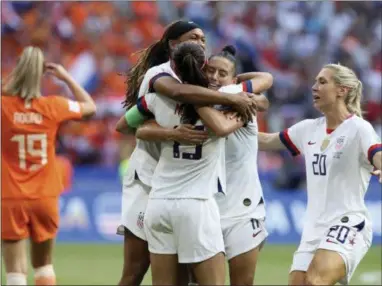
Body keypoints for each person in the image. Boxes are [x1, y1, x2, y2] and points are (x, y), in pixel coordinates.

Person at [116, 20, 257, 286]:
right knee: (137, 271)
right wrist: (242, 99)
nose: (201, 42)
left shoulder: (154, 100)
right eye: (195, 37)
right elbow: (222, 115)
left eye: (203, 38)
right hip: (177, 194)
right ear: (173, 44)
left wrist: (168, 129)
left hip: (161, 197)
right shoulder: (163, 78)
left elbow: (126, 125)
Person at [257, 63, 382, 285]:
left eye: (322, 82)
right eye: (315, 81)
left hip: (349, 222)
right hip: (313, 229)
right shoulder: (308, 129)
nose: (314, 87)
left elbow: (376, 153)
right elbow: (266, 141)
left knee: (316, 280)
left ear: (342, 90)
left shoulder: (359, 129)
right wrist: (225, 128)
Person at [1, 46, 97, 286]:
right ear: (41, 75)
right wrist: (66, 77)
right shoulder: (54, 106)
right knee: (44, 266)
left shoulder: (4, 106)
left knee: (15, 273)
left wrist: (15, 75)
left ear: (19, 71)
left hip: (11, 196)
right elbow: (90, 107)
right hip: (44, 196)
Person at [206, 45, 272, 285]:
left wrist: (236, 84)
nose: (214, 77)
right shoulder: (196, 101)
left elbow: (266, 80)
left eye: (221, 73)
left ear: (233, 81)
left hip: (243, 212)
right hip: (205, 209)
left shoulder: (237, 99)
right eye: (209, 71)